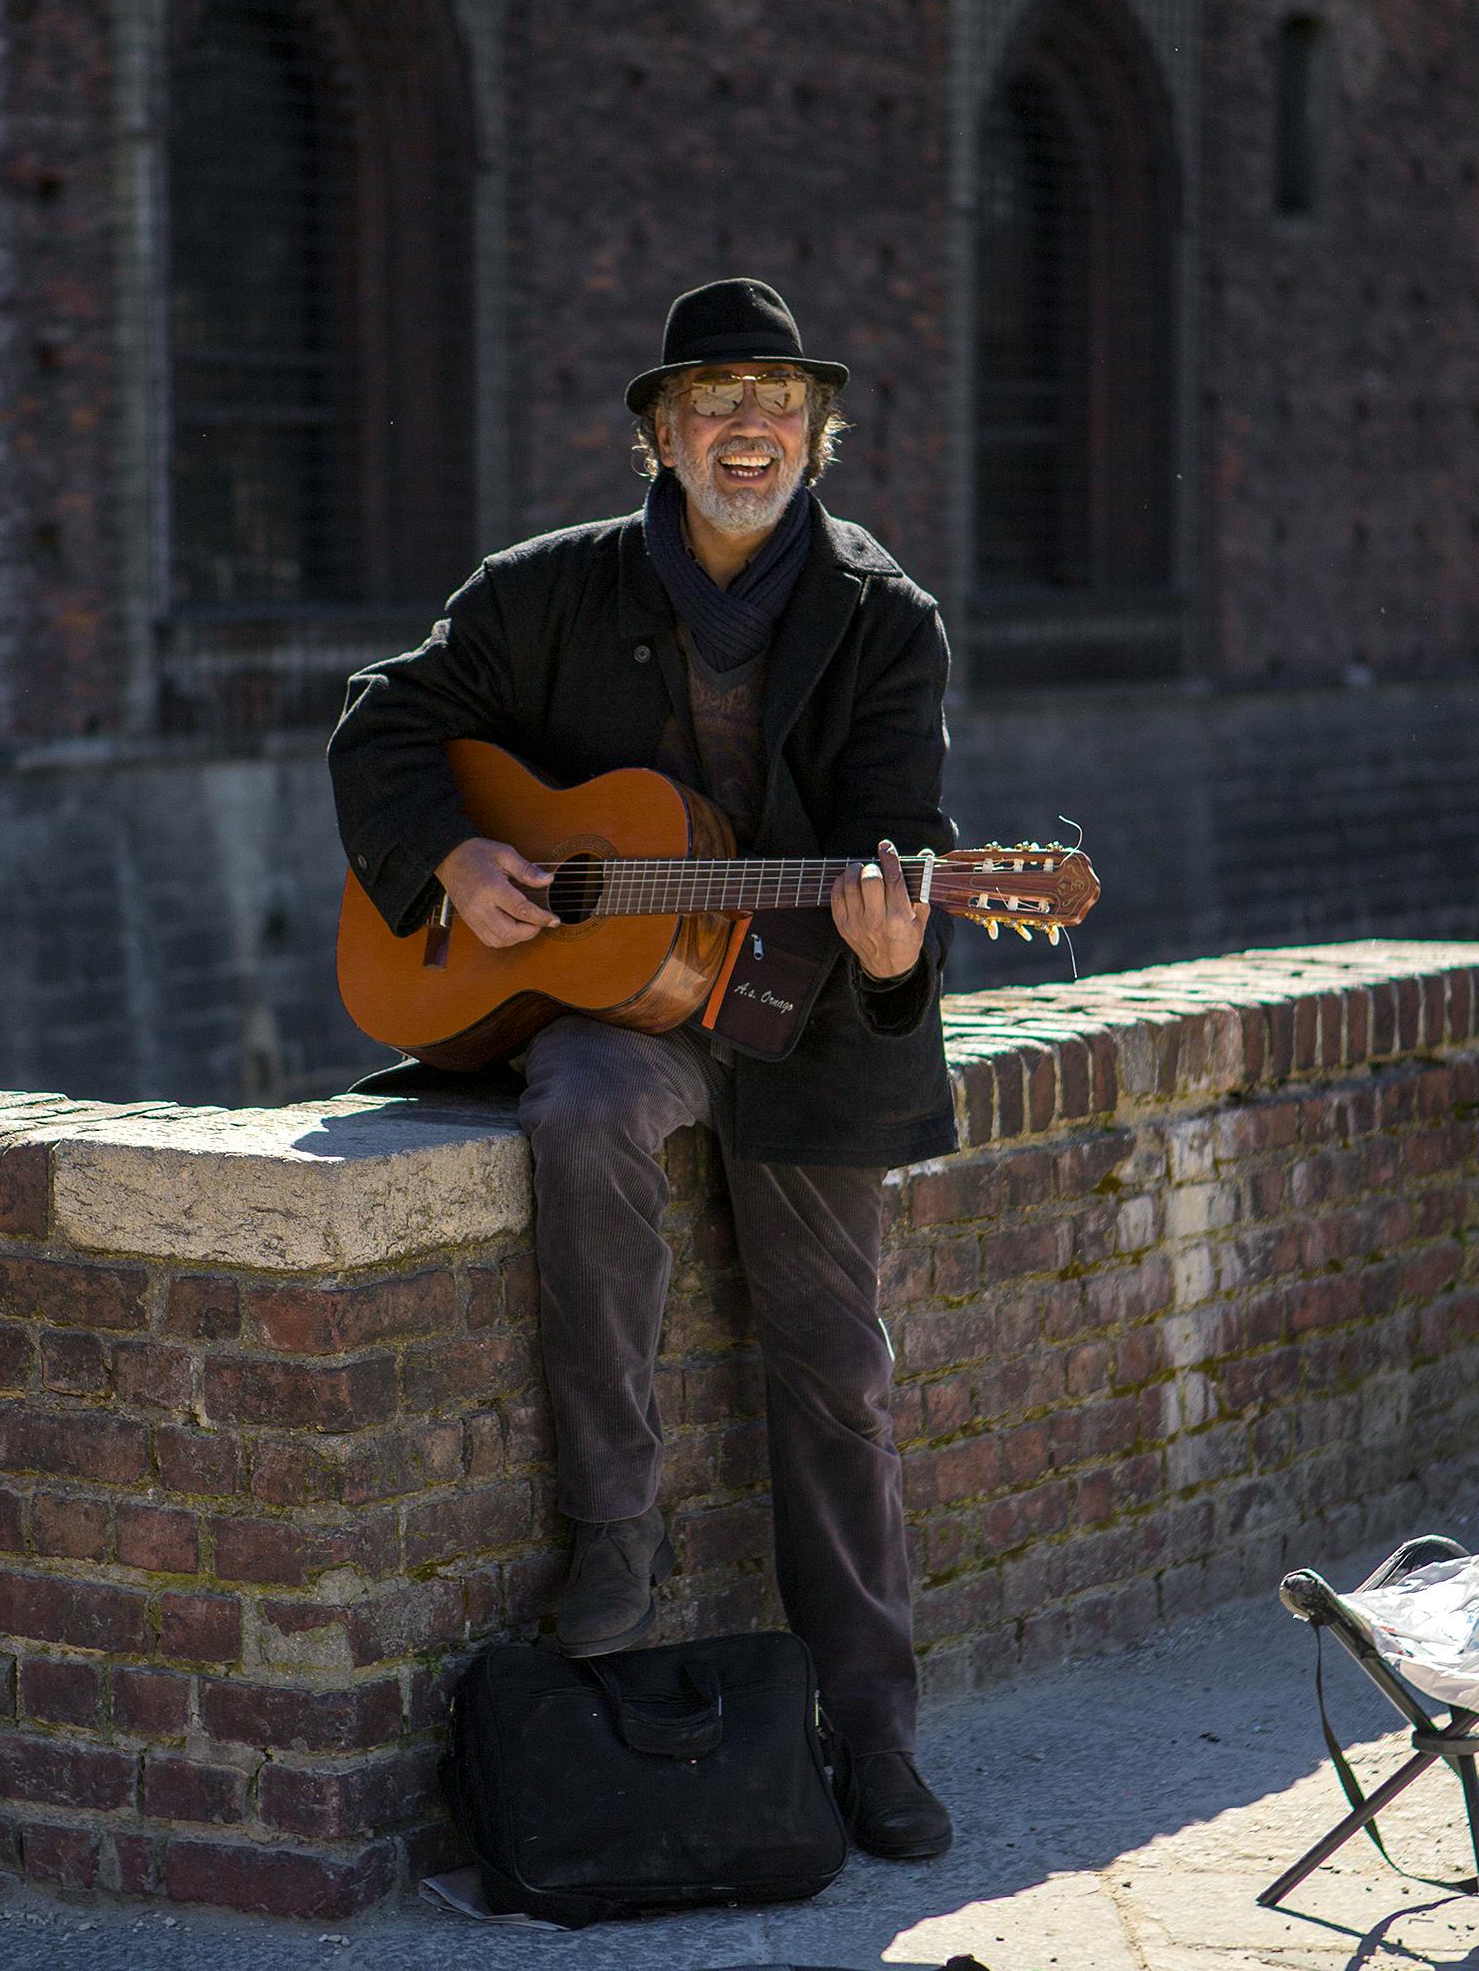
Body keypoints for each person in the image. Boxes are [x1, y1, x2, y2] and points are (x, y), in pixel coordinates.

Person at [330, 279, 957, 1859]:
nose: (750, 432)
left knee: (836, 1362)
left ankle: (873, 1732)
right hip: (628, 1011)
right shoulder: (548, 592)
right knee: (587, 1105)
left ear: (820, 440)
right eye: (715, 405)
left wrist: (899, 949)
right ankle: (614, 1533)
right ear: (661, 439)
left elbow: (906, 842)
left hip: (802, 1018)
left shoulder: (887, 623)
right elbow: (383, 721)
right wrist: (457, 857)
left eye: (780, 407)